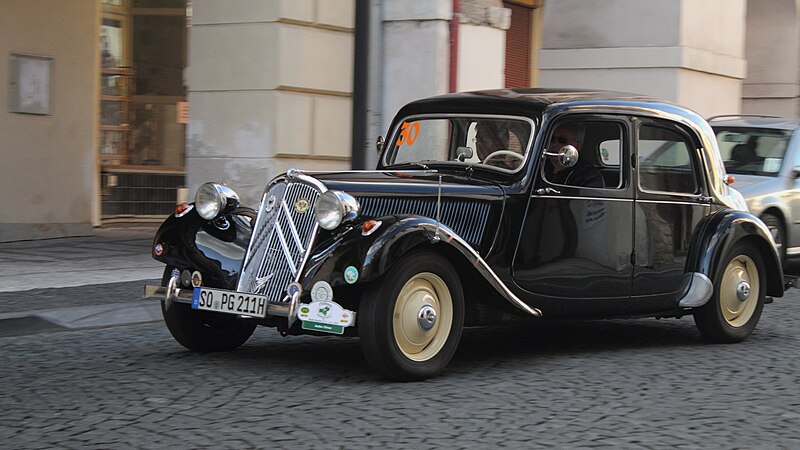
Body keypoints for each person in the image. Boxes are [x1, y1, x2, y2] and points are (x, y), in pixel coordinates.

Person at [545, 123, 604, 188]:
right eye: (552, 139)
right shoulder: (540, 166)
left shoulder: (589, 176)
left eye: (562, 140)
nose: (555, 144)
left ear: (578, 146)